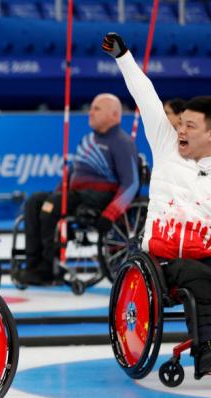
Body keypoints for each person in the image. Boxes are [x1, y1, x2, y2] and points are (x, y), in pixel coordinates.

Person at [103, 32, 211, 376]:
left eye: (190, 125)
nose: (181, 129)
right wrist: (123, 57)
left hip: (205, 254)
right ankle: (207, 352)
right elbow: (145, 94)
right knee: (199, 275)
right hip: (163, 260)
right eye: (180, 122)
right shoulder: (165, 144)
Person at [18, 93, 140, 285]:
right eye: (91, 108)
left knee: (50, 207)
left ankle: (48, 269)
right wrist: (58, 193)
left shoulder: (122, 143)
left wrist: (110, 214)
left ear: (114, 115)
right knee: (34, 202)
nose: (90, 113)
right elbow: (71, 173)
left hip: (98, 197)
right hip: (74, 194)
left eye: (96, 109)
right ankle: (33, 264)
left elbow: (131, 183)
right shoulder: (88, 139)